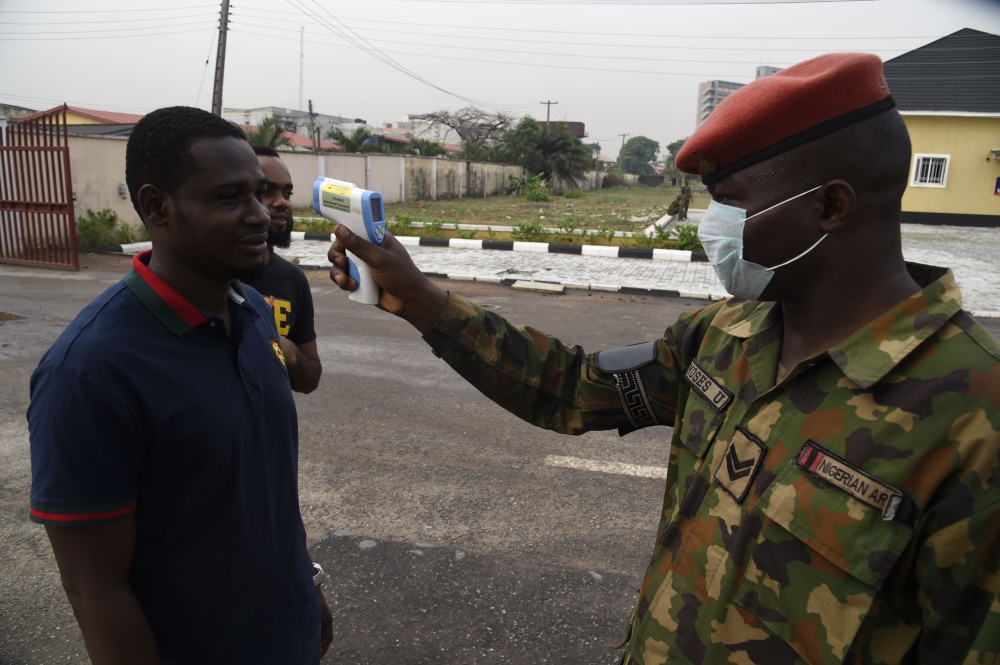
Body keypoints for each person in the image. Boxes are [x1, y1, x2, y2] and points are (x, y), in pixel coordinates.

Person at [326, 54, 1000, 664]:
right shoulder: (723, 335)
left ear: (829, 205)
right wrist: (418, 298)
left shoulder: (974, 415)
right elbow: (570, 387)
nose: (713, 226)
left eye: (732, 201)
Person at [28, 107, 332, 665]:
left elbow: (259, 492)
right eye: (229, 198)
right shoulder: (91, 372)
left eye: (260, 195)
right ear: (156, 206)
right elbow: (96, 590)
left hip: (290, 635)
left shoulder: (255, 311)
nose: (260, 215)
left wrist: (304, 588)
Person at [242, 145, 322, 394]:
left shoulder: (292, 278)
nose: (282, 203)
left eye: (287, 193)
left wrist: (288, 353)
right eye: (266, 192)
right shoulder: (211, 276)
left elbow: (310, 380)